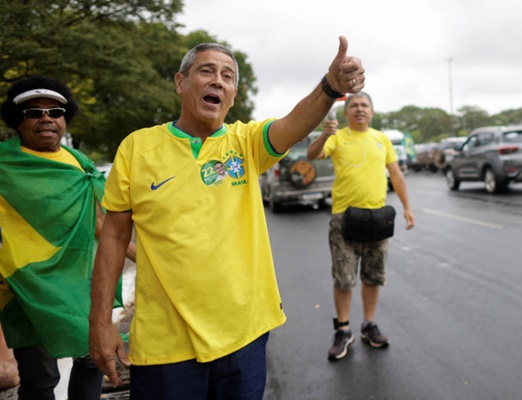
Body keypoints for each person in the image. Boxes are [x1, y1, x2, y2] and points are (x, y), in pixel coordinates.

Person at [89, 36, 365, 399]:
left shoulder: (246, 143)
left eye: (228, 76)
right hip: (165, 345)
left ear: (233, 94)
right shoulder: (137, 148)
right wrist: (100, 321)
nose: (218, 80)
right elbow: (112, 236)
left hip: (244, 337)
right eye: (206, 71)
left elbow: (295, 123)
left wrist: (330, 86)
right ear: (180, 82)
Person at [0, 76, 136, 399]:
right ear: (19, 122)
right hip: (26, 288)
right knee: (40, 377)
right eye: (34, 112)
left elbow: (102, 225)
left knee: (93, 358)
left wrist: (148, 260)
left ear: (64, 119)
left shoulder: (80, 164)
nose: (46, 118)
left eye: (55, 111)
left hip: (79, 285)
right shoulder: (3, 164)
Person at [306, 92, 415, 360]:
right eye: (353, 105)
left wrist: (407, 207)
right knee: (344, 278)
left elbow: (396, 173)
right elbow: (313, 154)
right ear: (346, 113)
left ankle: (368, 324)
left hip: (378, 218)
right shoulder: (337, 137)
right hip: (345, 218)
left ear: (372, 112)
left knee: (372, 275)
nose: (359, 109)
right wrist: (323, 134)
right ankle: (343, 330)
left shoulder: (382, 139)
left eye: (364, 105)